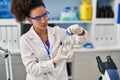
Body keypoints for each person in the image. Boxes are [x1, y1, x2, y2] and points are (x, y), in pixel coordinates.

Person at [10, 0, 88, 80]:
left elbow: (79, 42)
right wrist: (54, 61)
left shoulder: (58, 32)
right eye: (38, 18)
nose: (43, 20)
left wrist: (80, 32)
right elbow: (32, 68)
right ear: (30, 20)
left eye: (45, 15)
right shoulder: (25, 40)